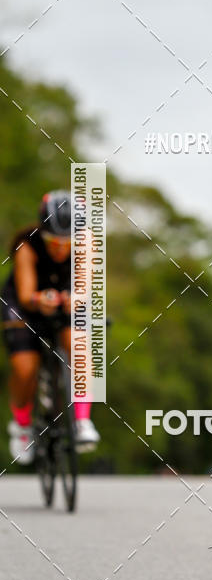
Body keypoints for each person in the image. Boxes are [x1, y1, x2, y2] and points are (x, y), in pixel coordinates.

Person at [1, 190, 100, 464]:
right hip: (26, 303)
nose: (59, 247)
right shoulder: (27, 245)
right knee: (25, 367)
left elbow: (83, 286)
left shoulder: (86, 241)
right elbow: (25, 295)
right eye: (52, 240)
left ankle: (81, 421)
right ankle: (21, 425)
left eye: (66, 241)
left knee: (78, 345)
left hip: (64, 298)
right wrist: (38, 300)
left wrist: (74, 298)